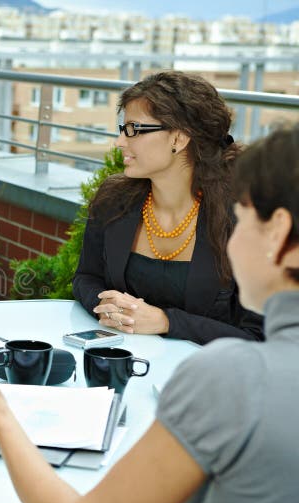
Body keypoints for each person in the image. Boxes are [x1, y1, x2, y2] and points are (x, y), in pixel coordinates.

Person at [0, 123, 299, 503]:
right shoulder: (120, 203)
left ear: (279, 231)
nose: (228, 239)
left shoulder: (234, 380)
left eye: (242, 219)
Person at [72, 71, 263, 345]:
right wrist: (111, 308)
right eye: (122, 129)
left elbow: (258, 336)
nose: (120, 142)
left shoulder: (245, 218)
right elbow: (87, 277)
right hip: (126, 362)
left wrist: (166, 322)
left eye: (134, 130)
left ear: (179, 139)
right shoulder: (114, 199)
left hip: (211, 377)